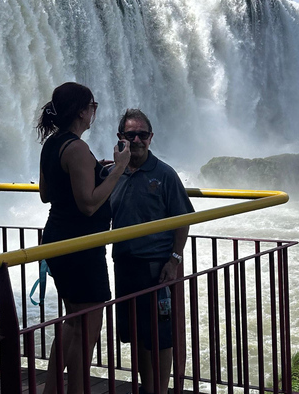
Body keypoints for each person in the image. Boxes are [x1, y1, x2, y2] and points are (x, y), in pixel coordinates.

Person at [37, 82, 130, 394]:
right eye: (93, 106)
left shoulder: (52, 144)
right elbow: (89, 205)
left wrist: (91, 171)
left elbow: (45, 194)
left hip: (57, 240)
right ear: (81, 111)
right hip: (81, 246)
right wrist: (117, 170)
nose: (94, 112)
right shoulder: (76, 148)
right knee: (88, 326)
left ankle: (52, 389)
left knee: (73, 320)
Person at [110, 109, 194, 394]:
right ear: (121, 137)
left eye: (142, 135)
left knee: (161, 337)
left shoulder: (165, 174)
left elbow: (184, 220)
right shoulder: (112, 174)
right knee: (137, 335)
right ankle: (148, 390)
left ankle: (159, 390)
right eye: (130, 135)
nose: (137, 140)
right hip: (124, 265)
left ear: (151, 138)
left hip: (156, 268)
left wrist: (174, 260)